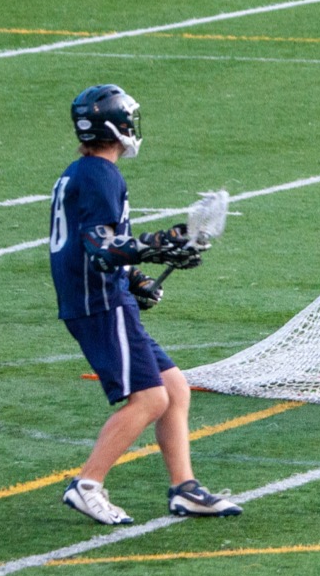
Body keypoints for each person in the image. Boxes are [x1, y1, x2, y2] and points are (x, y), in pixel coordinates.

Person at [49, 83, 243, 523]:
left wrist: (135, 276)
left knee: (174, 387)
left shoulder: (80, 172)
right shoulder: (100, 175)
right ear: (116, 126)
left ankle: (185, 488)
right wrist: (157, 245)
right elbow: (101, 248)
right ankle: (88, 484)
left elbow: (89, 247)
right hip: (98, 302)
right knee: (151, 398)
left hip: (104, 294)